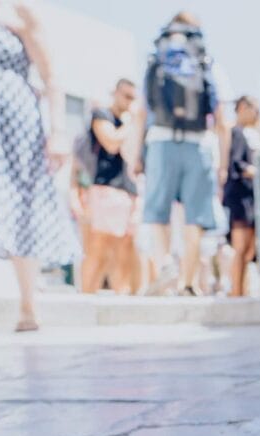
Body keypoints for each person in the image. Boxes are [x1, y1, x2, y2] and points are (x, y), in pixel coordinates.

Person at [0, 0, 78, 331]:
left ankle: (29, 306)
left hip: (13, 121)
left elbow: (51, 76)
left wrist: (58, 132)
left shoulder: (19, 10)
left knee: (23, 205)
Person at [138, 11, 230, 296]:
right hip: (198, 143)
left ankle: (165, 261)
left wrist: (135, 156)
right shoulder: (206, 63)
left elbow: (142, 112)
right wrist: (222, 165)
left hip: (162, 140)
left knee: (158, 211)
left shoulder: (156, 60)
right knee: (195, 216)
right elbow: (222, 120)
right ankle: (188, 282)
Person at [81, 78, 141, 294]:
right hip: (105, 187)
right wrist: (129, 123)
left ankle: (121, 295)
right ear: (115, 93)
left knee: (124, 247)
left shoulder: (131, 123)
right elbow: (111, 143)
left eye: (132, 97)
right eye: (126, 95)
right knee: (99, 247)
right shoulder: (102, 115)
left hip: (128, 189)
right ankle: (86, 296)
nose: (129, 102)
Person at [223, 96, 260, 297]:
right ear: (243, 108)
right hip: (240, 198)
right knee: (240, 247)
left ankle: (240, 290)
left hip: (246, 198)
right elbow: (237, 165)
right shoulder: (237, 133)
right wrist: (258, 171)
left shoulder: (245, 134)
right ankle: (236, 291)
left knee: (247, 249)